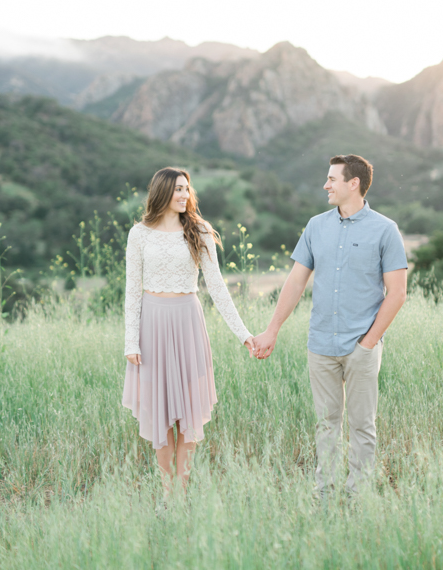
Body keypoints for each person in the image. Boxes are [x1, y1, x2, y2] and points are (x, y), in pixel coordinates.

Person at [252, 154, 408, 498]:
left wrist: (368, 343)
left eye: (332, 179)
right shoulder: (315, 226)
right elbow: (294, 283)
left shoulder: (385, 230)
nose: (326, 185)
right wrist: (271, 330)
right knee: (326, 425)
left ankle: (357, 497)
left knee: (363, 427)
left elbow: (397, 294)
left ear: (354, 184)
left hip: (360, 347)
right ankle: (324, 494)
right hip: (320, 345)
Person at [122, 167, 257, 497]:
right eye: (178, 189)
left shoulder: (199, 230)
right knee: (159, 412)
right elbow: (132, 290)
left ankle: (182, 492)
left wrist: (244, 334)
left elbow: (218, 288)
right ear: (162, 192)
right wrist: (130, 340)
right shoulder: (139, 234)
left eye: (187, 189)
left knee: (189, 412)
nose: (184, 195)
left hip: (188, 323)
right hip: (152, 325)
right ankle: (167, 493)